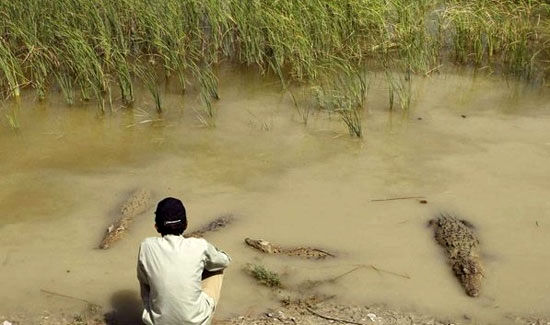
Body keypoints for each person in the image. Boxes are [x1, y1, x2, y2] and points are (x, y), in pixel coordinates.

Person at [137, 197, 231, 325]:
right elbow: (225, 261)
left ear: (156, 227)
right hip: (195, 322)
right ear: (186, 224)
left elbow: (144, 282)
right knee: (217, 268)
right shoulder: (199, 245)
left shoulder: (146, 246)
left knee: (148, 278)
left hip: (157, 322)